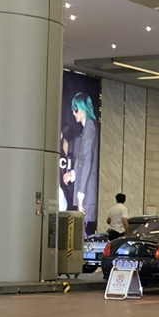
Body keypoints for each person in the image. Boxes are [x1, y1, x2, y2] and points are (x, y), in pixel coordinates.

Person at [62, 92, 99, 234]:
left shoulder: (90, 126)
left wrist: (80, 194)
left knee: (83, 235)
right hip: (85, 192)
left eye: (76, 109)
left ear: (84, 108)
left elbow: (87, 160)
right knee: (81, 234)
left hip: (86, 194)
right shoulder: (88, 127)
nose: (73, 113)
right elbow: (83, 160)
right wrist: (72, 174)